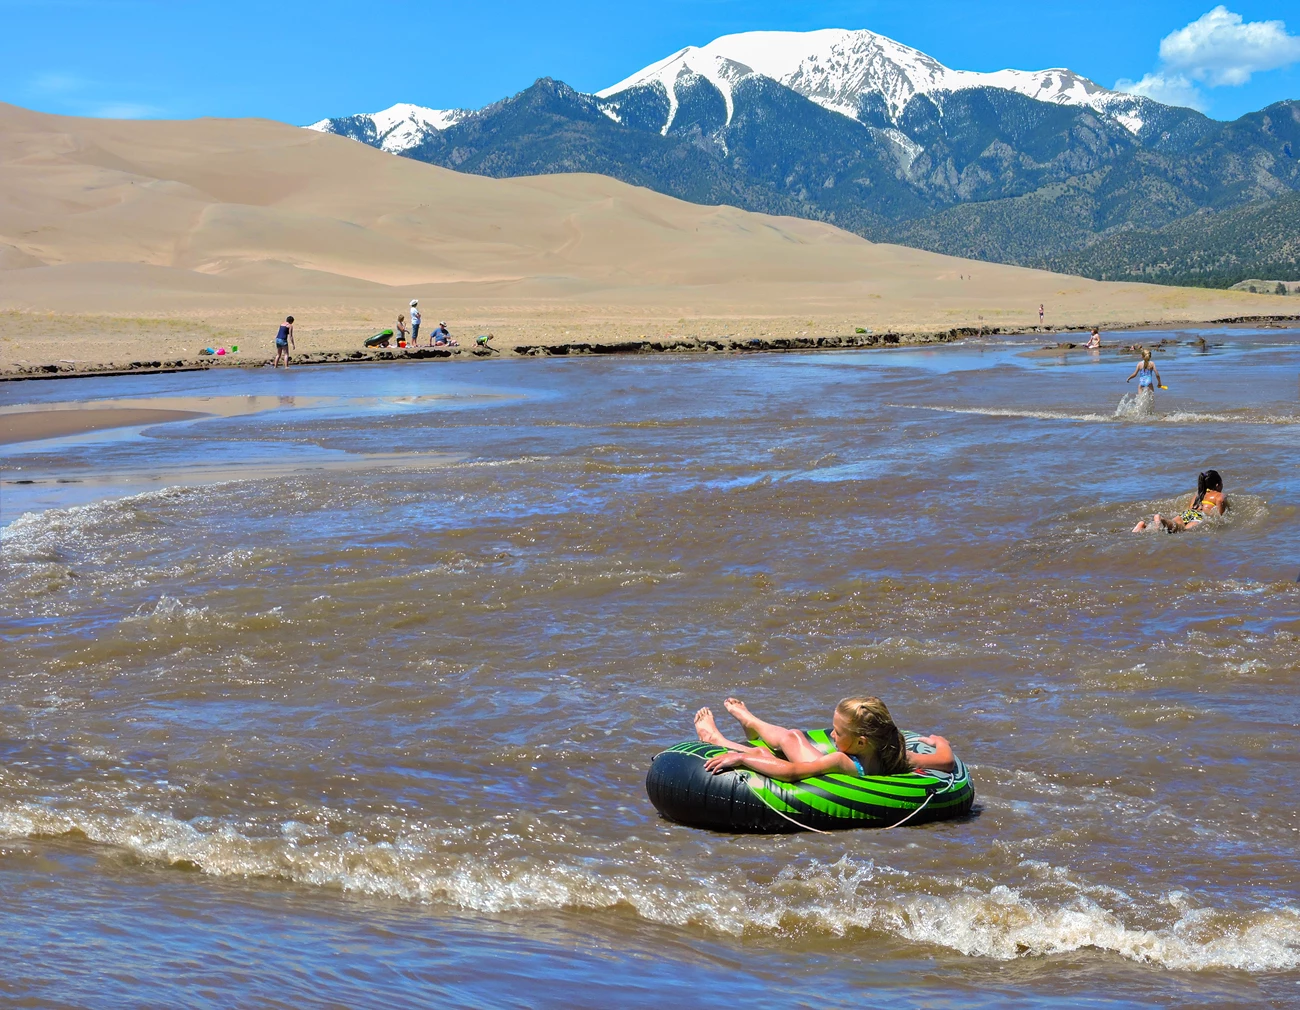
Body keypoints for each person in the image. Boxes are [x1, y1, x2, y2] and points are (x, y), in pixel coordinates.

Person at [692, 696, 955, 782]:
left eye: (837, 733)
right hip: (859, 769)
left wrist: (741, 758)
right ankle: (752, 723)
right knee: (792, 738)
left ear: (861, 742)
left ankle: (717, 739)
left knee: (781, 744)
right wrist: (939, 741)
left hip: (830, 777)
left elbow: (792, 771)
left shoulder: (840, 760)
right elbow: (946, 762)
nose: (831, 735)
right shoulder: (896, 756)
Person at [1133, 470, 1228, 533]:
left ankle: (1147, 525)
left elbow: (1191, 508)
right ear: (1217, 485)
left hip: (1187, 513)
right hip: (1200, 517)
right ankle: (1159, 521)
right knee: (1183, 531)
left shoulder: (1198, 495)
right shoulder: (1219, 495)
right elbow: (1220, 502)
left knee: (1174, 525)